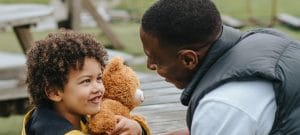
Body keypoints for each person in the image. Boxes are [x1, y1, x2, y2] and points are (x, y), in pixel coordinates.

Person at [140, 0, 300, 134]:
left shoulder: (221, 104)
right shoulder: (264, 39)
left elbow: (223, 116)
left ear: (189, 59)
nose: (149, 66)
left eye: (155, 59)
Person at [21, 30, 148, 135]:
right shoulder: (49, 128)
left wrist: (137, 129)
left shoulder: (82, 112)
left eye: (99, 78)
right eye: (86, 81)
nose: (98, 88)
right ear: (54, 92)